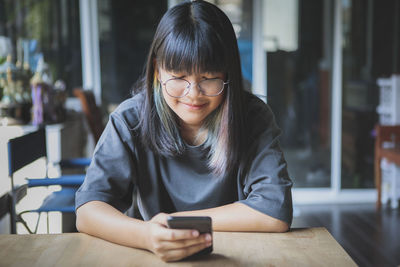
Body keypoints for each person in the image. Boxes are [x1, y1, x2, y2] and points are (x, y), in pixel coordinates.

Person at [75, 0, 293, 262]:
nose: (193, 94)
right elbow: (88, 210)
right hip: (155, 257)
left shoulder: (253, 117)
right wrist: (146, 235)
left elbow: (275, 210)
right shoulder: (129, 119)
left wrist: (173, 222)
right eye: (179, 77)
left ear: (228, 74)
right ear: (157, 71)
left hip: (239, 257)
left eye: (208, 78)